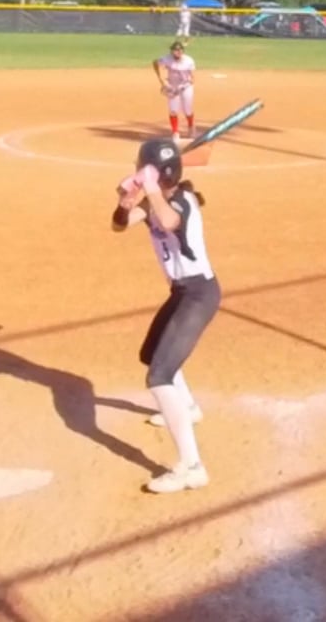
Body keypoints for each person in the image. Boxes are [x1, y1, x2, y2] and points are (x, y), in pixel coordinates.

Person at [112, 137, 219, 494]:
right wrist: (125, 203)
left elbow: (170, 221)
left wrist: (151, 189)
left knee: (159, 376)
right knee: (151, 355)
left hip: (200, 293)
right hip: (181, 293)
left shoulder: (183, 200)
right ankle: (187, 407)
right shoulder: (154, 201)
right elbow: (119, 225)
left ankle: (192, 467)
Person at [154, 40, 197, 138]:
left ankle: (191, 127)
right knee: (173, 110)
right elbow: (155, 63)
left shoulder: (189, 60)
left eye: (180, 50)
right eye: (175, 50)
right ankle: (175, 132)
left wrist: (183, 87)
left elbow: (193, 78)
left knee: (187, 110)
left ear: (183, 51)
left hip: (186, 86)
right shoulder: (167, 58)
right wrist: (161, 80)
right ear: (172, 51)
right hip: (172, 86)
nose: (178, 52)